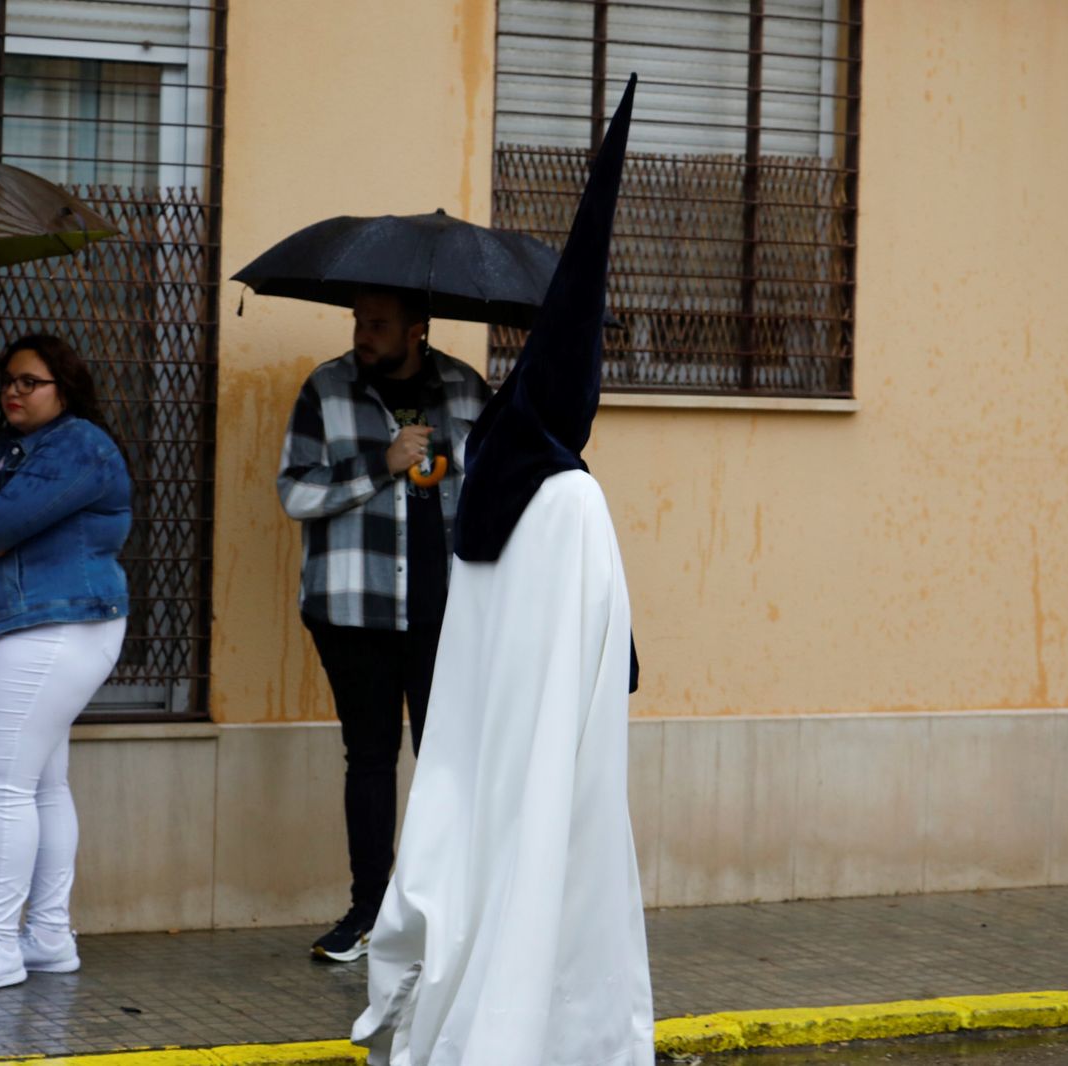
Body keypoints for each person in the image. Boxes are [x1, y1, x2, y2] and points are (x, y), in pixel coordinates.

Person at [353, 81, 653, 1065]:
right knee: (549, 902)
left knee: (495, 876)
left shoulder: (495, 476)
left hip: (492, 743)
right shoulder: (567, 500)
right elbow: (602, 649)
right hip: (554, 757)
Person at [277, 285, 491, 962]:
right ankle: (368, 912)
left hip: (446, 611)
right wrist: (382, 462)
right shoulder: (327, 388)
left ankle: (445, 912)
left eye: (377, 325)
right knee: (368, 760)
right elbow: (296, 491)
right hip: (353, 611)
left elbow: (496, 484)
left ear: (417, 330)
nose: (362, 335)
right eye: (358, 322)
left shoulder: (464, 388)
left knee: (446, 765)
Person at [0, 334, 131, 994]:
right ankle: (46, 937)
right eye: (8, 381)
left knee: (1, 784)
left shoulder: (79, 444)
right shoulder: (13, 449)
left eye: (29, 381)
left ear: (64, 388)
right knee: (42, 784)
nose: (12, 391)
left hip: (56, 623)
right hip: (27, 623)